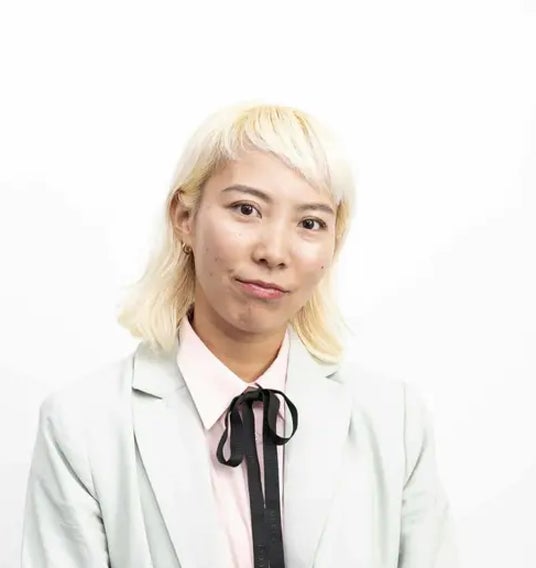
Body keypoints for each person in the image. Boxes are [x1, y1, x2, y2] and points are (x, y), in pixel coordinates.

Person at [21, 100, 459, 567]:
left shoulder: (396, 421)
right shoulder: (83, 426)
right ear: (184, 217)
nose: (274, 251)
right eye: (246, 209)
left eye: (310, 223)